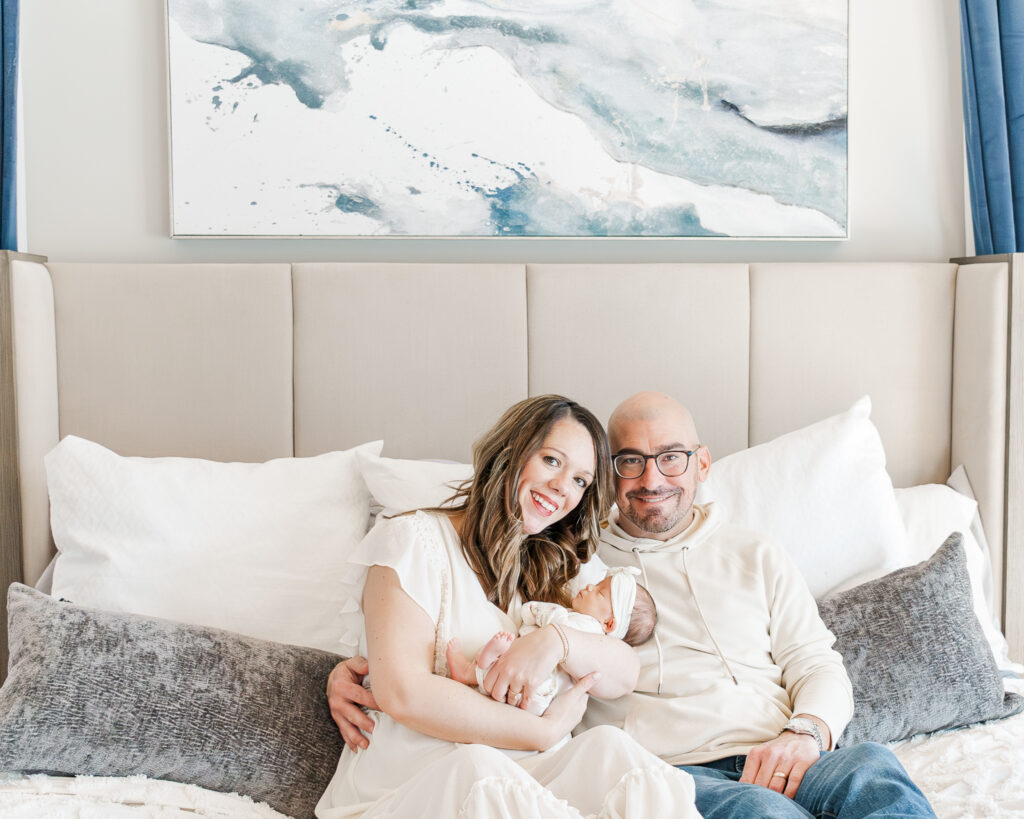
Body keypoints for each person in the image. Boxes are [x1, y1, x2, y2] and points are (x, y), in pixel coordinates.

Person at [330, 391, 936, 818]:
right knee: (760, 814)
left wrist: (806, 733)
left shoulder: (751, 553)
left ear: (701, 464)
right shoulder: (583, 561)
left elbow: (817, 663)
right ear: (613, 479)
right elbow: (404, 667)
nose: (651, 478)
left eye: (670, 456)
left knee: (874, 775)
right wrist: (349, 668)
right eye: (629, 462)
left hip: (781, 744)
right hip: (679, 768)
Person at [316, 394, 698, 819]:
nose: (562, 488)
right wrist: (543, 730)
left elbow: (623, 670)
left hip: (527, 768)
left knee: (612, 751)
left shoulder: (559, 563)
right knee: (478, 769)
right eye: (552, 461)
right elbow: (403, 693)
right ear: (510, 452)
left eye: (580, 481)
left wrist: (556, 642)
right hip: (416, 777)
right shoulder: (412, 540)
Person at [445, 567, 657, 716]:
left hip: (539, 682)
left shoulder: (588, 628)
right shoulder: (588, 632)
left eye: (601, 593)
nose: (590, 586)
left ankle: (468, 671)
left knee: (504, 662)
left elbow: (556, 621)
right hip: (542, 698)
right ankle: (481, 664)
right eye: (597, 584)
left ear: (609, 624)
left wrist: (535, 610)